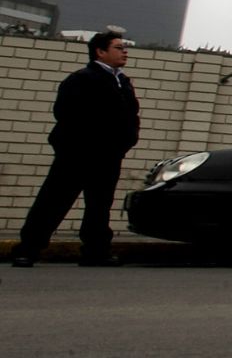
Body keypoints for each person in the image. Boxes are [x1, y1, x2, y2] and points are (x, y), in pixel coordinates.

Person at [10, 30, 140, 268]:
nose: (124, 51)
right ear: (100, 52)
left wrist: (126, 142)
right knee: (53, 202)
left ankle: (96, 251)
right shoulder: (82, 78)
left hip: (108, 156)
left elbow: (131, 116)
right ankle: (28, 250)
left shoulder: (123, 82)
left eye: (124, 47)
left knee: (99, 206)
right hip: (76, 155)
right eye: (118, 47)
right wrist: (81, 144)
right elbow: (65, 113)